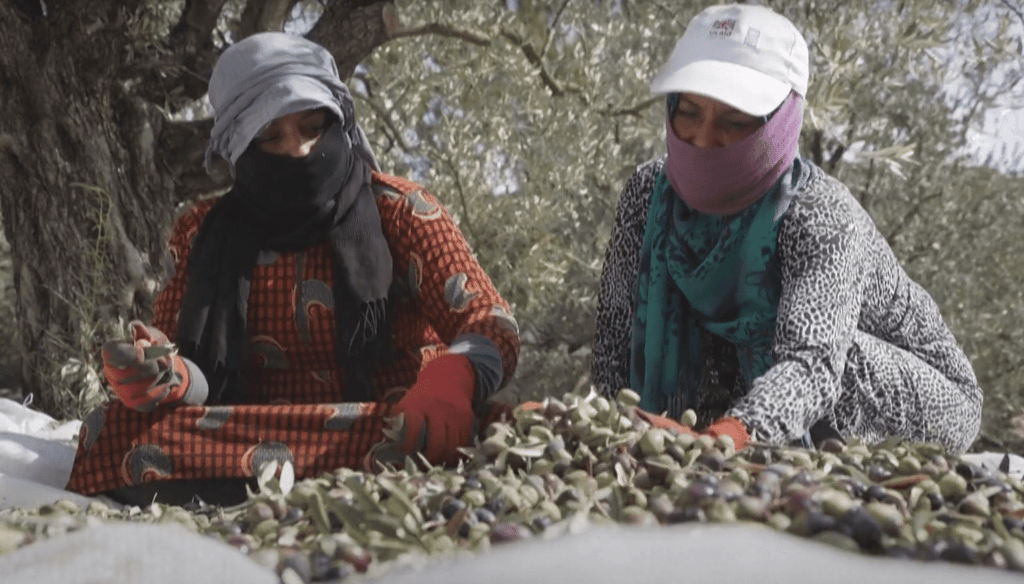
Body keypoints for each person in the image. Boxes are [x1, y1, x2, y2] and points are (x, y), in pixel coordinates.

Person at [66, 32, 520, 504]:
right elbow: (191, 371)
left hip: (393, 421)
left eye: (312, 126)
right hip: (253, 433)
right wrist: (164, 375)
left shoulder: (402, 210)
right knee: (112, 430)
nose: (299, 149)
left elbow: (489, 319)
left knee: (507, 429)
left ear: (336, 118)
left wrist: (453, 377)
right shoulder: (199, 232)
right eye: (271, 136)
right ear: (239, 146)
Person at [590, 4, 981, 453]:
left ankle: (797, 453)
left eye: (735, 121)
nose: (703, 137)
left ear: (782, 121)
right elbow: (615, 335)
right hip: (763, 381)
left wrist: (731, 436)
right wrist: (603, 424)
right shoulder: (647, 193)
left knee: (832, 356)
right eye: (689, 112)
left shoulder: (820, 212)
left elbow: (814, 363)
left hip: (928, 395)